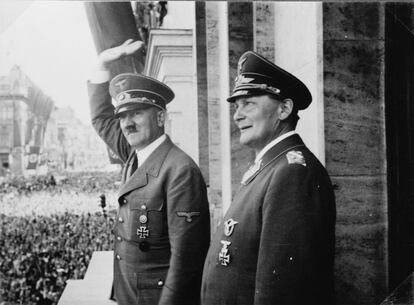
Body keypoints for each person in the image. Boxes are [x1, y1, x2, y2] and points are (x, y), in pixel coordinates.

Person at [201, 51, 336, 305]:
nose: (237, 115)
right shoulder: (271, 167)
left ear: (284, 109)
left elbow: (283, 291)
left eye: (249, 103)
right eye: (237, 106)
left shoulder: (292, 173)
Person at [88, 39, 210, 305]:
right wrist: (101, 63)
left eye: (137, 113)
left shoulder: (179, 171)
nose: (127, 123)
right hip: (128, 295)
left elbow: (186, 260)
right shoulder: (134, 153)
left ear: (159, 117)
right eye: (122, 115)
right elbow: (100, 118)